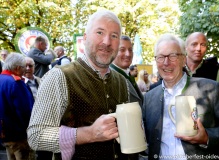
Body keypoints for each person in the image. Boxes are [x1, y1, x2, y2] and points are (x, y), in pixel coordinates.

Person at [27, 10, 139, 160]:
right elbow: (35, 136)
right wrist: (89, 134)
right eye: (100, 32)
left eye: (114, 36)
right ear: (85, 39)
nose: (107, 42)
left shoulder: (122, 81)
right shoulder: (59, 76)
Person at [142, 33, 219, 159]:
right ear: (156, 61)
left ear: (183, 60)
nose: (166, 62)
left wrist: (206, 137)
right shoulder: (149, 98)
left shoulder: (210, 88)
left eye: (173, 56)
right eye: (161, 57)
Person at [185, 32, 219, 108]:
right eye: (194, 44)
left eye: (203, 45)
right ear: (186, 47)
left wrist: (211, 108)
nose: (198, 49)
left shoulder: (215, 70)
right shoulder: (175, 69)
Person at [0, 53, 35, 160]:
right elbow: (25, 111)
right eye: (24, 67)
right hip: (20, 137)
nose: (26, 70)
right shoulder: (16, 83)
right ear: (18, 68)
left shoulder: (1, 79)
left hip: (5, 135)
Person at [110, 35, 143, 105]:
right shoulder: (109, 77)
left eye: (130, 50)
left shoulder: (126, 74)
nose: (128, 54)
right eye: (122, 50)